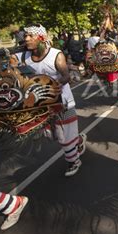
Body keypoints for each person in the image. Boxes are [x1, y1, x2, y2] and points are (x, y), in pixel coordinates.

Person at [11, 24, 85, 176]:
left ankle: (74, 161)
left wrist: (52, 87)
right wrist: (12, 65)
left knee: (65, 137)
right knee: (52, 135)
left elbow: (66, 76)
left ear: (41, 38)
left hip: (63, 102)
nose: (26, 39)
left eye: (30, 36)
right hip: (41, 104)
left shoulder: (56, 55)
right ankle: (78, 141)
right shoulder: (23, 56)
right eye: (25, 36)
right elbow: (12, 64)